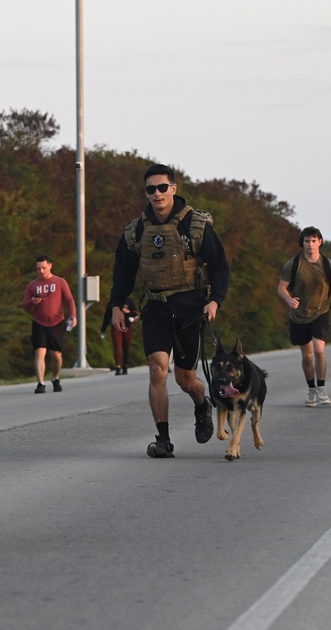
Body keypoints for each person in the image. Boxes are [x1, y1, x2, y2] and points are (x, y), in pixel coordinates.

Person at [109, 164, 229, 458]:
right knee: (157, 370)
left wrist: (215, 301)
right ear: (145, 192)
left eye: (163, 187)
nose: (157, 194)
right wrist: (115, 305)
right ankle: (163, 439)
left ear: (174, 188)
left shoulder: (197, 225)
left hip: (190, 306)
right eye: (151, 189)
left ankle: (202, 405)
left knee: (184, 379)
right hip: (156, 307)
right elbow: (123, 272)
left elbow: (219, 266)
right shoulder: (136, 230)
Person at [276, 226, 331, 408]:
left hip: (321, 312)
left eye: (314, 241)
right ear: (302, 243)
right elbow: (281, 288)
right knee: (307, 356)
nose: (310, 244)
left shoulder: (329, 265)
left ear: (320, 242)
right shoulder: (293, 264)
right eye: (307, 241)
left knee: (319, 350)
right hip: (299, 315)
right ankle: (311, 390)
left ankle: (322, 388)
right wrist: (289, 300)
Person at [22, 255, 77, 394]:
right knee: (40, 352)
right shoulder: (32, 285)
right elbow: (25, 305)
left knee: (56, 355)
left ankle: (55, 377)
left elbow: (69, 300)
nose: (41, 271)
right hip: (39, 322)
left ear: (50, 266)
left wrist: (73, 316)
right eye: (38, 268)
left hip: (57, 322)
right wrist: (32, 303)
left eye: (43, 268)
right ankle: (40, 383)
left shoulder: (60, 282)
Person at [100, 297, 139, 375]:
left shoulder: (128, 301)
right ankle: (118, 366)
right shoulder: (112, 302)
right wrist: (103, 329)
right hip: (116, 327)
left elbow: (136, 314)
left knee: (126, 346)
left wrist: (128, 312)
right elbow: (107, 316)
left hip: (127, 326)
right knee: (117, 347)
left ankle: (125, 365)